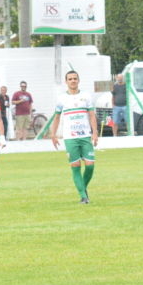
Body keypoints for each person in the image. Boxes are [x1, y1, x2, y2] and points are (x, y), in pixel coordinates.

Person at [49, 70, 98, 204]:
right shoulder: (61, 98)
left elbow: (92, 115)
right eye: (70, 79)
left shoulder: (86, 96)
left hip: (85, 136)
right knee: (75, 165)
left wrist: (95, 133)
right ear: (66, 82)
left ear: (78, 80)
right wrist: (53, 135)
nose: (72, 81)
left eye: (75, 78)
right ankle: (83, 196)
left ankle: (83, 188)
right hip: (70, 137)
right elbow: (57, 117)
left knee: (90, 165)